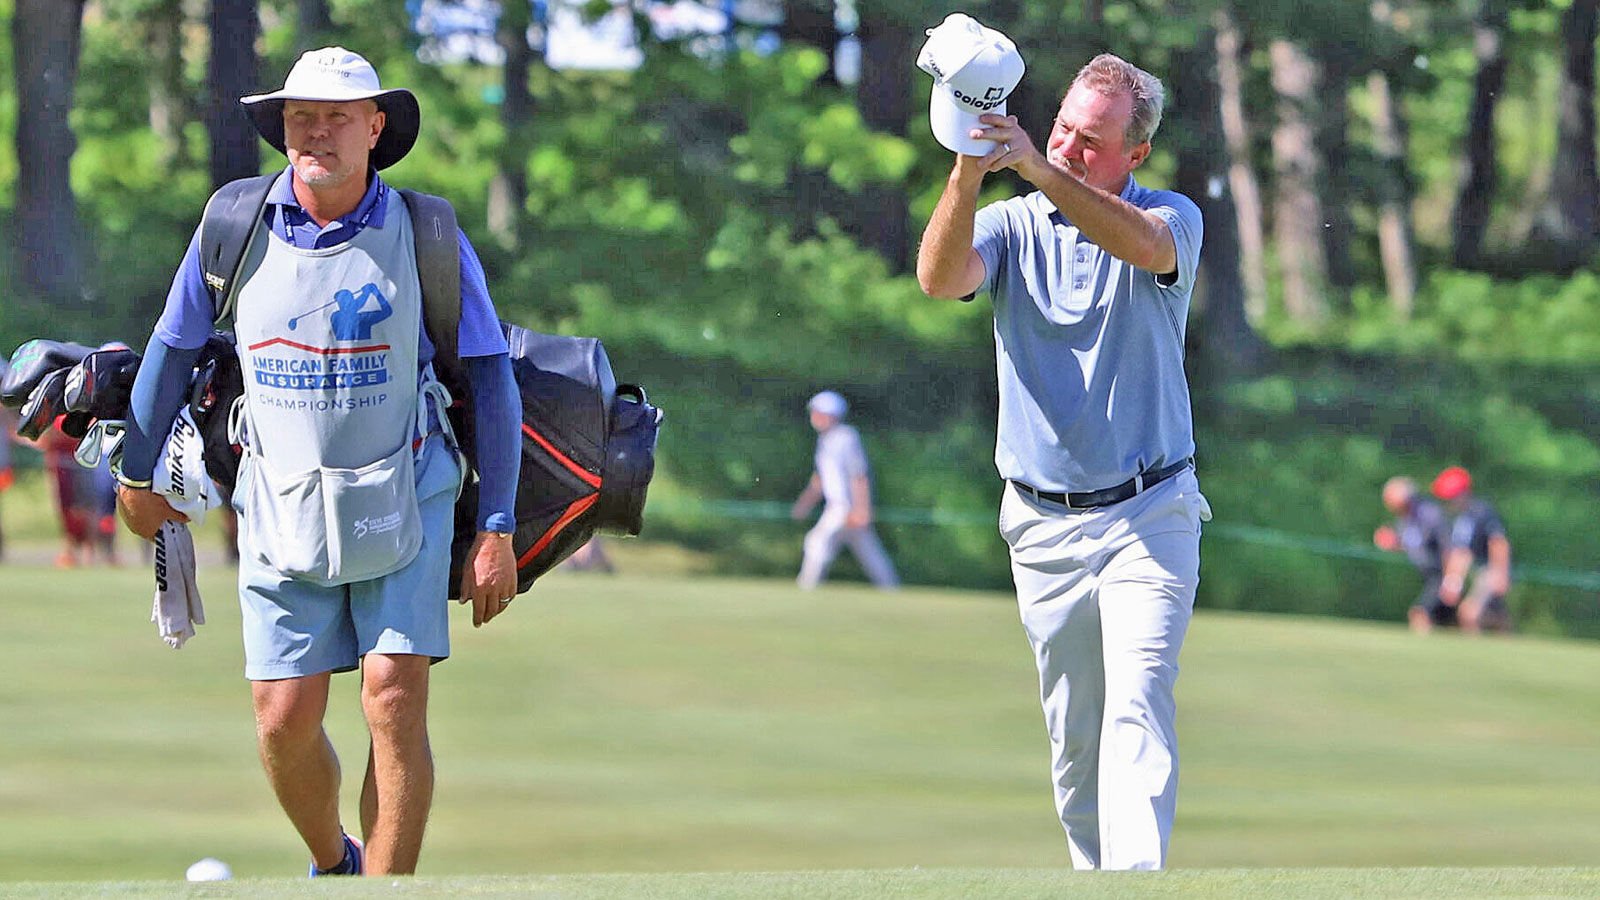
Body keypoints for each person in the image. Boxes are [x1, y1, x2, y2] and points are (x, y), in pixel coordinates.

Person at [114, 47, 522, 877]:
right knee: (281, 719)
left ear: (376, 127)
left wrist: (497, 525)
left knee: (393, 697)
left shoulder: (429, 231)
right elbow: (171, 346)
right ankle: (334, 863)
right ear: (282, 129)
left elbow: (490, 376)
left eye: (338, 116)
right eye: (302, 116)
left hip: (408, 489)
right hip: (278, 498)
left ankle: (383, 891)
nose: (317, 131)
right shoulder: (231, 224)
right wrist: (132, 471)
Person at [915, 22, 1208, 871]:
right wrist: (969, 160)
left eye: (1093, 139)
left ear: (1136, 151)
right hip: (1042, 527)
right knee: (1077, 748)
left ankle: (1135, 884)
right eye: (1064, 130)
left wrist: (1040, 169)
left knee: (1137, 706)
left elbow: (1143, 248)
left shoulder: (1168, 217)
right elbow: (940, 278)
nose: (1071, 146)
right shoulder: (1010, 227)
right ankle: (1095, 880)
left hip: (1152, 511)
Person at [790, 390, 899, 590]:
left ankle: (806, 587)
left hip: (844, 507)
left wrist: (861, 509)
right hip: (838, 507)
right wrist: (805, 503)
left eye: (818, 412)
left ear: (831, 414)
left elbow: (858, 475)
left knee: (816, 541)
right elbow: (820, 480)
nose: (814, 416)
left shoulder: (846, 437)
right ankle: (891, 589)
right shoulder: (826, 441)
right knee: (868, 551)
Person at [1431, 466, 1512, 633]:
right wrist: (1452, 582)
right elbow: (1461, 553)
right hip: (1476, 572)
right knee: (1495, 619)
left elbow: (1499, 543)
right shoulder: (1461, 518)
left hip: (1490, 570)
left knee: (1469, 613)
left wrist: (1501, 573)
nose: (1449, 502)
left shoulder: (1482, 511)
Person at [1372, 476, 1454, 634]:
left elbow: (1448, 548)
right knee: (1447, 622)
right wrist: (1394, 544)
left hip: (1441, 576)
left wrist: (1451, 580)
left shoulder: (1430, 514)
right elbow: (1414, 546)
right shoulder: (1404, 519)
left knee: (1420, 613)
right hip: (1428, 577)